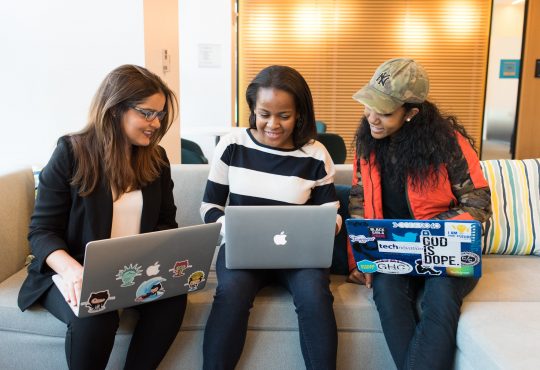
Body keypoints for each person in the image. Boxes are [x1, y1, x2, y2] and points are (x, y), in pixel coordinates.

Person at [17, 64, 186, 370]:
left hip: (134, 273)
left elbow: (165, 224)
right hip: (73, 273)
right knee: (98, 310)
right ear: (115, 109)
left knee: (172, 301)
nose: (155, 123)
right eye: (147, 113)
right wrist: (73, 272)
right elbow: (41, 231)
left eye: (160, 115)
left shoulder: (156, 159)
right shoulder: (71, 152)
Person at [347, 58, 492, 370]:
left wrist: (425, 233)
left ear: (411, 113)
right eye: (369, 106)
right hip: (393, 250)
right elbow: (359, 204)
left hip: (448, 250)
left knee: (438, 299)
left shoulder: (449, 145)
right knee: (386, 292)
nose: (372, 117)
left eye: (384, 112)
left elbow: (478, 204)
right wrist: (361, 260)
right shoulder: (366, 145)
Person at [201, 65, 341, 370]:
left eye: (284, 116)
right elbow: (209, 206)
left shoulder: (315, 154)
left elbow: (330, 210)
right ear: (253, 110)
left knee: (315, 296)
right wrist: (231, 228)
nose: (272, 125)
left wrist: (330, 223)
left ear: (300, 113)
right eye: (264, 114)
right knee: (230, 294)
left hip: (300, 254)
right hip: (243, 251)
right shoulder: (233, 145)